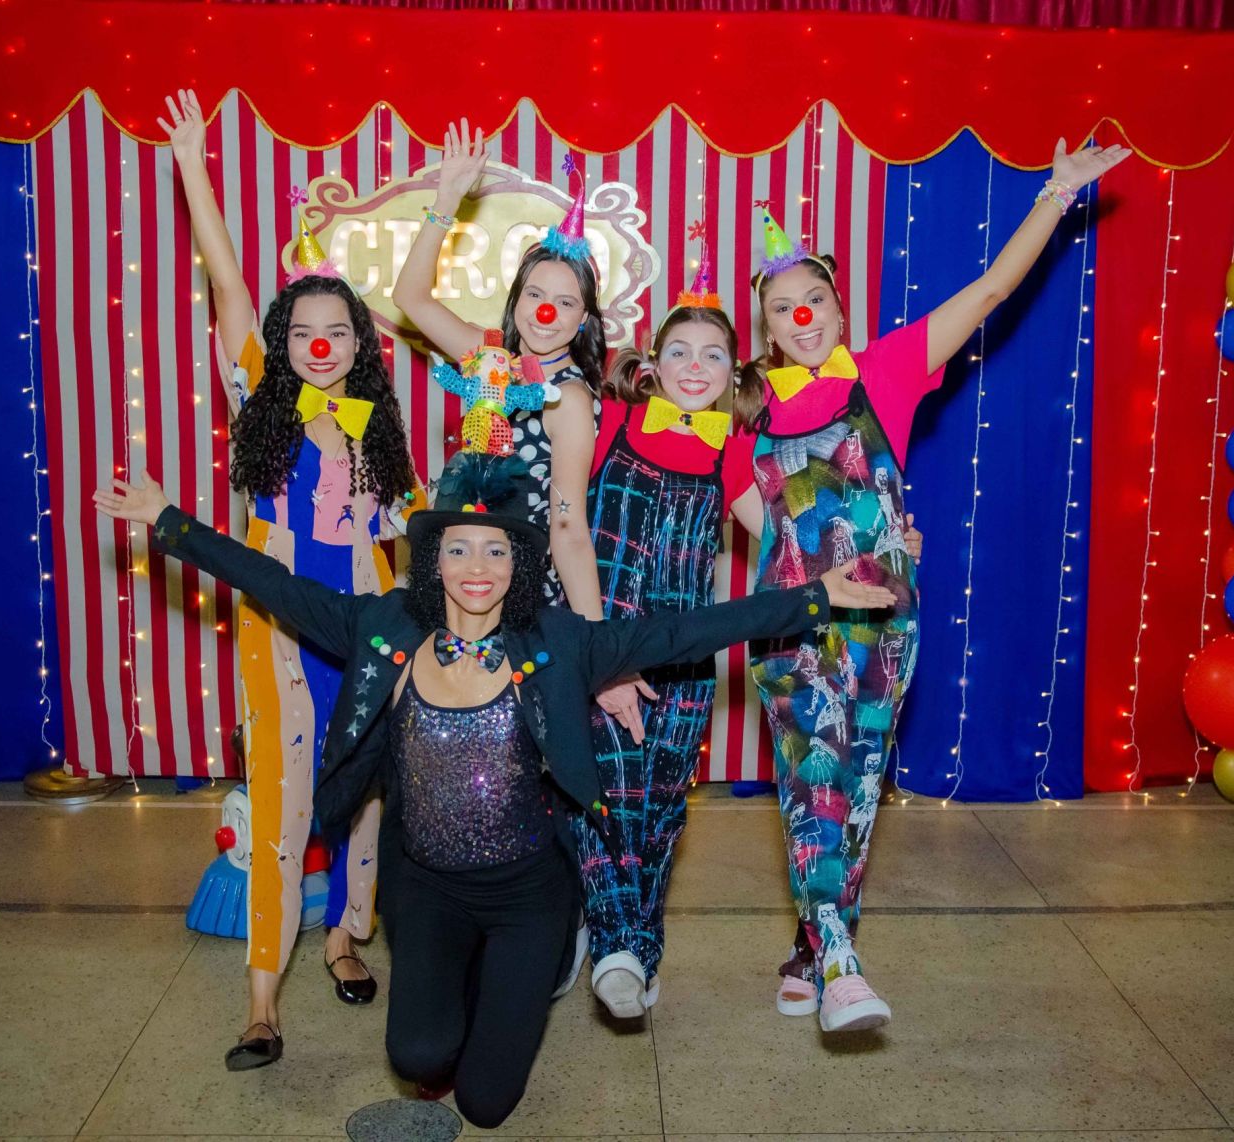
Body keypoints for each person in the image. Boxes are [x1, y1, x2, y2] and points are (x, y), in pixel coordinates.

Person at [91, 448, 897, 1128]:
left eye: (497, 551)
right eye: (459, 550)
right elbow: (276, 584)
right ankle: (464, 979)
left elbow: (683, 630)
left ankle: (546, 960)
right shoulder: (386, 629)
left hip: (528, 893)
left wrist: (815, 597)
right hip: (425, 889)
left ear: (519, 565)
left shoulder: (557, 642)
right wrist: (169, 521)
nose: (477, 569)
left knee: (484, 1104)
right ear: (433, 558)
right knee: (418, 1057)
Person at [737, 139, 1130, 1033]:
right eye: (782, 309)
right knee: (812, 781)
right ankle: (841, 965)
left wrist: (1055, 196)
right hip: (796, 630)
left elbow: (990, 291)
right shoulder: (748, 412)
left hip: (889, 624)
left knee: (857, 789)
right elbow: (765, 529)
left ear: (840, 308)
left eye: (814, 300)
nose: (802, 317)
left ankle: (811, 941)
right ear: (768, 329)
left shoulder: (886, 369)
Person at [572, 239, 925, 1019]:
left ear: (735, 373)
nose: (694, 366)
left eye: (712, 354)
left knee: (663, 809)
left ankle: (643, 948)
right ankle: (613, 945)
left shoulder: (736, 453)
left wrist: (884, 540)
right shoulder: (604, 422)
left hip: (687, 656)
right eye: (678, 350)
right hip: (602, 645)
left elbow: (790, 539)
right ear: (651, 362)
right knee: (602, 797)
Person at [159, 89, 423, 1067]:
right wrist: (194, 169)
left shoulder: (378, 433)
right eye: (304, 328)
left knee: (365, 798)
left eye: (337, 329)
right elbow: (228, 286)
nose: (320, 342)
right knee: (282, 803)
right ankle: (262, 998)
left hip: (363, 636)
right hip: (277, 637)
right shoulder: (261, 403)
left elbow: (410, 540)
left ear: (359, 345)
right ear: (283, 340)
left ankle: (347, 935)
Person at [393, 120, 603, 619]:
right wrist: (447, 199)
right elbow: (409, 298)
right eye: (535, 294)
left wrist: (595, 642)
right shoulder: (490, 358)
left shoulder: (568, 399)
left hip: (518, 596)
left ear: (583, 319)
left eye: (565, 302)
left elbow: (568, 528)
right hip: (461, 576)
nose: (545, 312)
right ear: (516, 302)